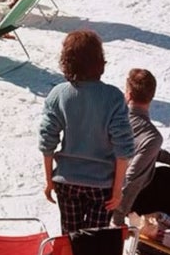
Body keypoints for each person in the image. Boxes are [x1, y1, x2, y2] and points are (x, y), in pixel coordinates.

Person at [38, 28, 134, 236]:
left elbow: (47, 141)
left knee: (70, 238)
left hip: (67, 181)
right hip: (102, 185)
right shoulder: (113, 97)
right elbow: (124, 148)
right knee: (95, 242)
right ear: (99, 60)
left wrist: (49, 180)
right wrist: (118, 189)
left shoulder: (58, 94)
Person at [119, 66, 170, 220]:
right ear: (152, 96)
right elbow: (132, 180)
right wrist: (117, 219)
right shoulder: (151, 135)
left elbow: (140, 148)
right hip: (133, 198)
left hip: (121, 190)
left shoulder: (116, 119)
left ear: (128, 95)